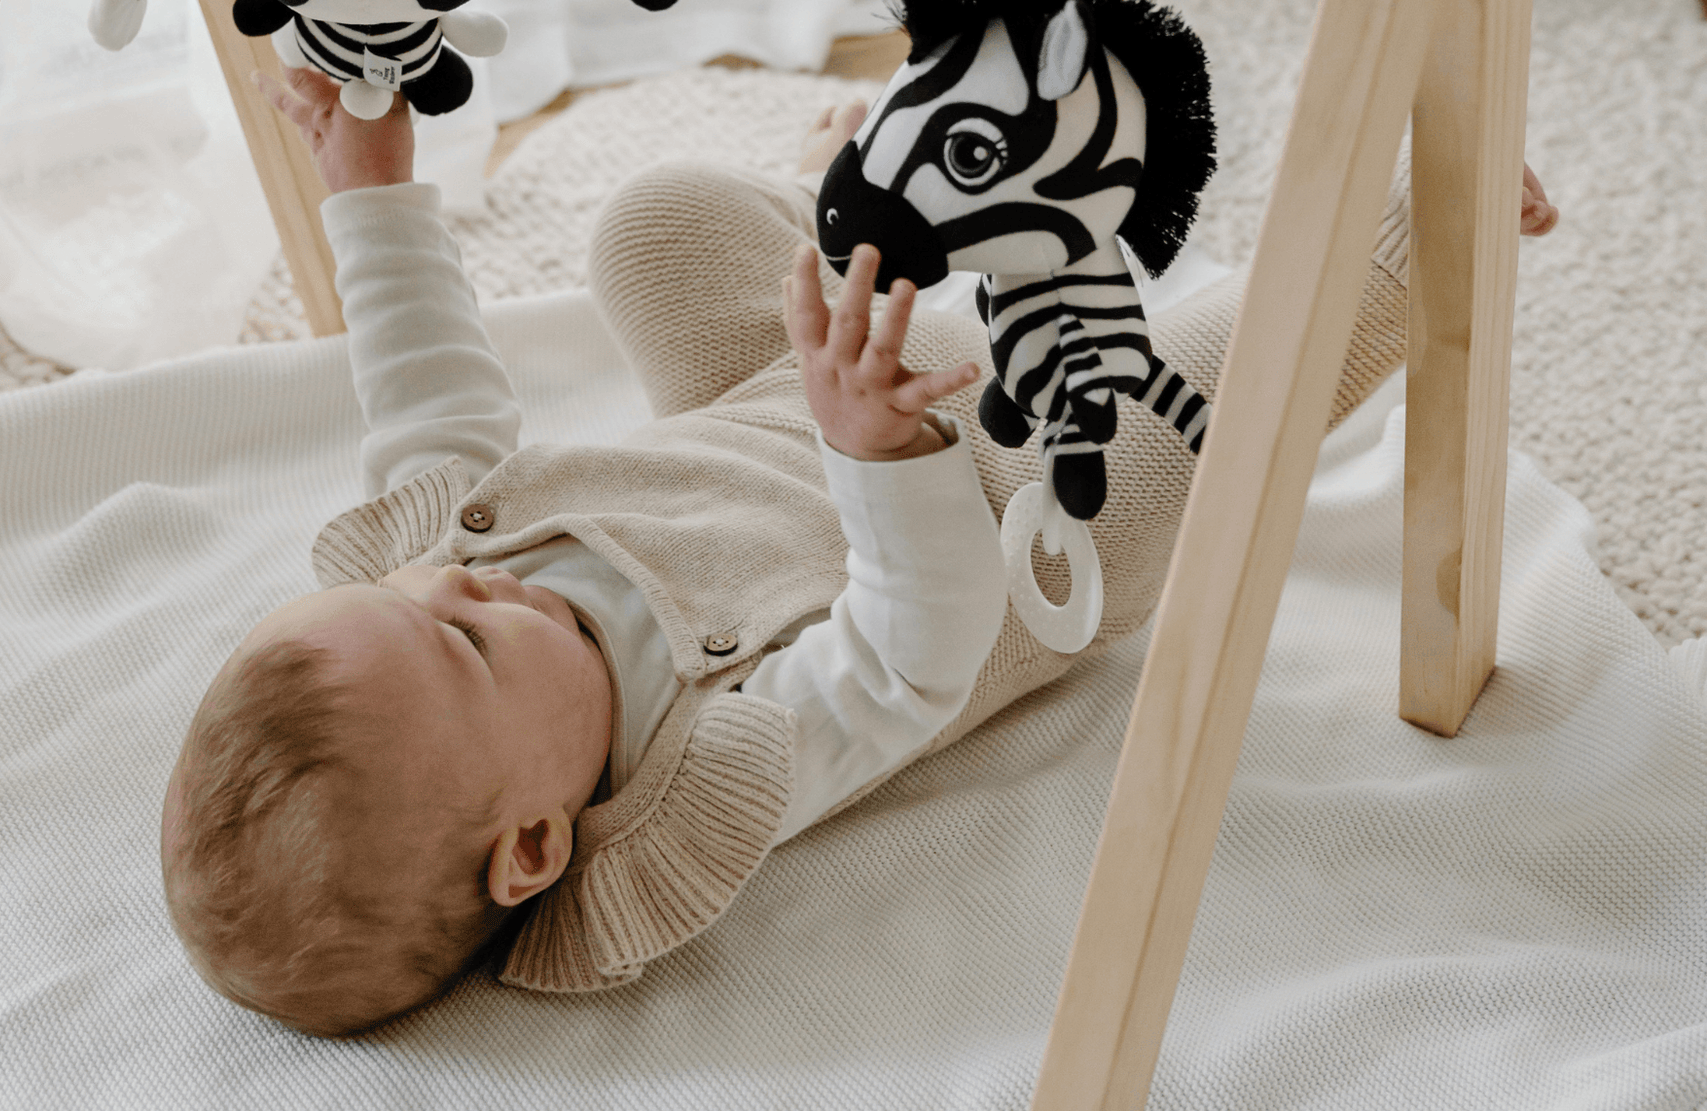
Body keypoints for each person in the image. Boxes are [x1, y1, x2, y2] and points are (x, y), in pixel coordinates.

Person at [160, 66, 1558, 1036]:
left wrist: (374, 186)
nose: (453, 580)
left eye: (401, 588)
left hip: (798, 386)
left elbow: (424, 394)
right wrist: (870, 452)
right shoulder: (703, 777)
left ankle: (874, 202)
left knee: (655, 225)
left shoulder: (450, 561)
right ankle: (1405, 241)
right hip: (1018, 522)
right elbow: (908, 653)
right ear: (532, 842)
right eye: (460, 637)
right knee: (1181, 426)